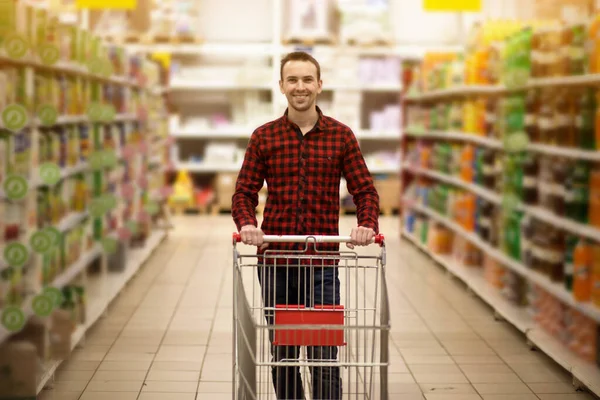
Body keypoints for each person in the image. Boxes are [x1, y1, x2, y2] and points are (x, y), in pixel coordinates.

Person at [232, 51, 380, 400]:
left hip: (322, 264)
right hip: (276, 263)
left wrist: (366, 224)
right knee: (283, 355)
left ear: (319, 85)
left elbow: (364, 189)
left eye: (307, 80)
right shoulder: (264, 137)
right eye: (293, 80)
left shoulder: (341, 137)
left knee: (323, 354)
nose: (301, 87)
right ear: (282, 86)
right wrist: (248, 224)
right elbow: (244, 192)